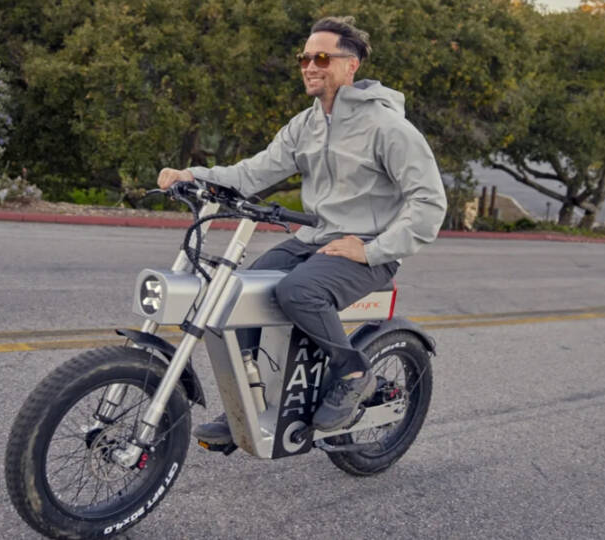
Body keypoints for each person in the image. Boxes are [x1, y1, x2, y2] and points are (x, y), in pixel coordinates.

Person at [157, 16, 447, 443]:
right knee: (236, 293)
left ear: (351, 65)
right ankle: (249, 403)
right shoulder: (305, 125)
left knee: (298, 291)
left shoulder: (388, 128)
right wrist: (193, 175)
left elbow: (429, 203)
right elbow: (252, 173)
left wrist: (371, 250)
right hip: (315, 239)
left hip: (368, 249)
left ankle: (352, 372)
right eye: (305, 58)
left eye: (322, 58)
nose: (311, 66)